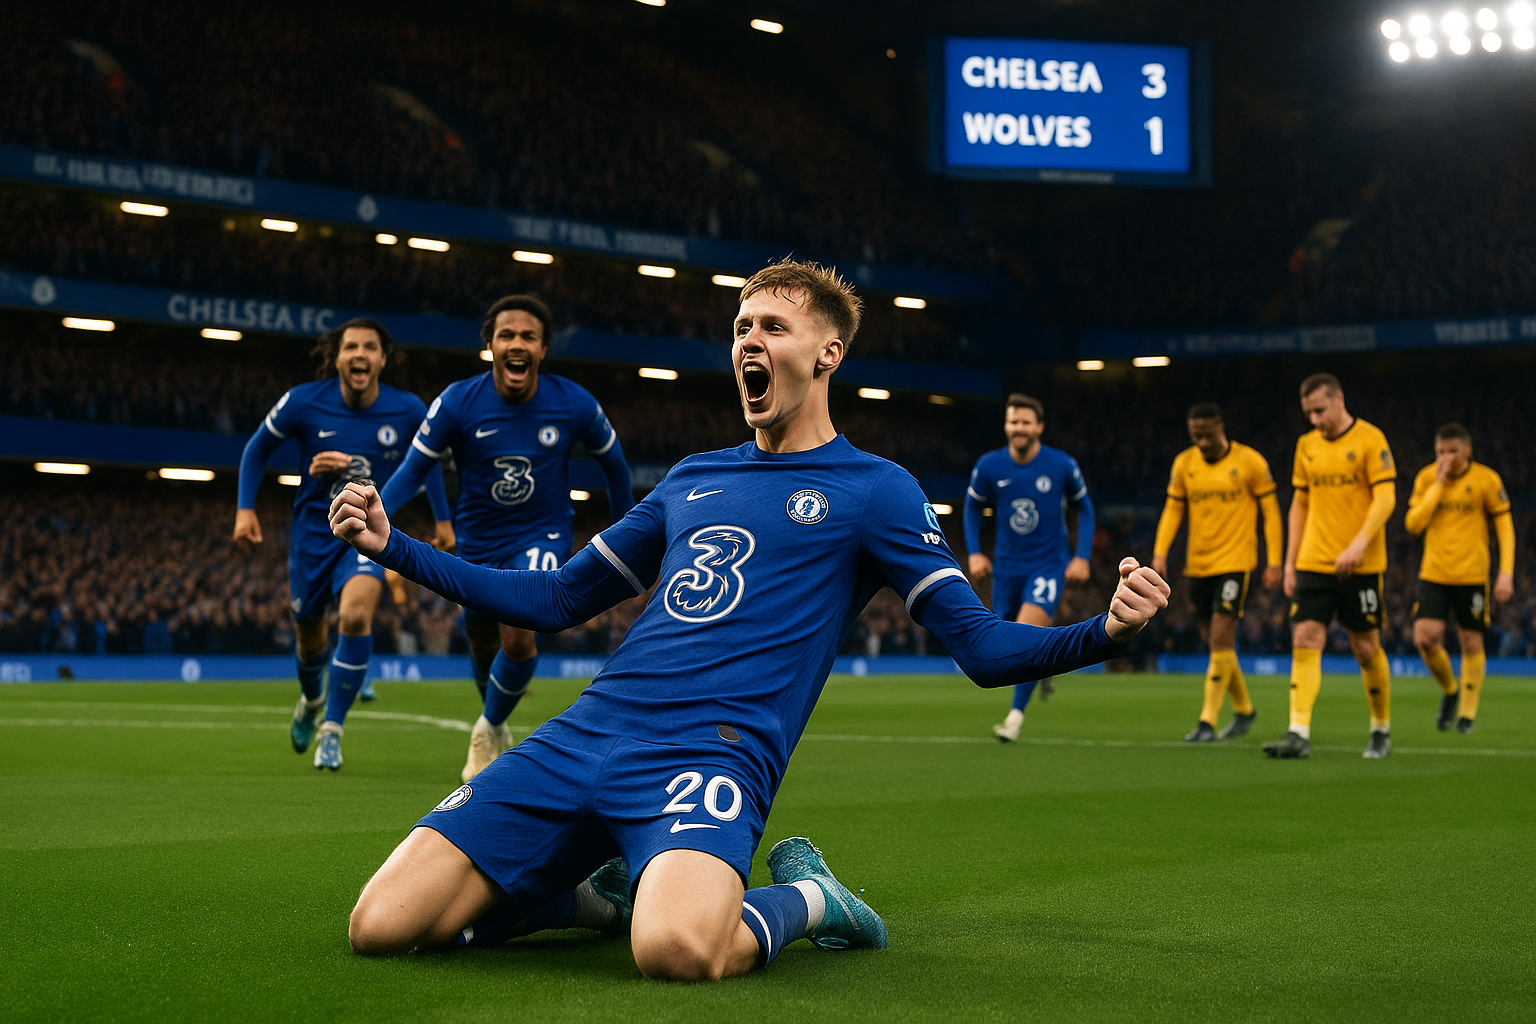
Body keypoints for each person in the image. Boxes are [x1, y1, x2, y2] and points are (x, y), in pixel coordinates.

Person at [326, 260, 1170, 980]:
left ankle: (811, 897)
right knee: (382, 926)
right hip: (588, 732)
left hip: (711, 752)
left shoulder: (878, 490)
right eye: (740, 328)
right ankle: (594, 898)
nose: (747, 343)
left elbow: (982, 648)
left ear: (828, 353)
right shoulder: (693, 477)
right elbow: (554, 600)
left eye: (771, 326)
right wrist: (393, 543)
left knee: (676, 952)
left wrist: (1105, 632)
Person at [379, 295, 633, 782]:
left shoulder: (573, 401)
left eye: (528, 337)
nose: (517, 344)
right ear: (490, 346)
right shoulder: (457, 401)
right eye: (507, 336)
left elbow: (616, 467)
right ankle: (493, 719)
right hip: (477, 541)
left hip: (542, 534)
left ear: (542, 350)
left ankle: (487, 725)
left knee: (518, 634)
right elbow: (414, 469)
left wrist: (628, 539)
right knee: (479, 639)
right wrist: (379, 512)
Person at [235, 317, 452, 770]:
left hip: (366, 536)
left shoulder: (409, 409)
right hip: (313, 537)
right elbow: (256, 449)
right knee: (310, 640)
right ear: (336, 357)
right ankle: (312, 698)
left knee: (355, 617)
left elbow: (430, 462)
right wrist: (245, 508)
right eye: (350, 346)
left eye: (369, 347)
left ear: (382, 359)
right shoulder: (302, 401)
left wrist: (443, 518)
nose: (360, 354)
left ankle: (332, 729)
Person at [1265, 373, 1396, 760]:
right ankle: (1298, 732)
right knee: (1305, 637)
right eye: (1309, 413)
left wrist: (1359, 544)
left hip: (1362, 565)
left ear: (1339, 399)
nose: (1315, 420)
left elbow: (1386, 498)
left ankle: (1380, 728)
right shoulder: (1306, 445)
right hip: (1313, 562)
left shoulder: (1371, 440)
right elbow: (1300, 505)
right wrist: (1290, 562)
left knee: (1366, 647)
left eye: (1320, 410)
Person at [963, 394, 1096, 742]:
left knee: (1025, 636)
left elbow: (1086, 509)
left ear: (1039, 426)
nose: (1018, 428)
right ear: (1006, 426)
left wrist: (1081, 556)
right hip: (1007, 568)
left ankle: (1015, 718)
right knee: (1003, 645)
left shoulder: (1062, 465)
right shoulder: (989, 466)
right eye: (1013, 422)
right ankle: (1045, 664)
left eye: (1025, 422)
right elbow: (972, 508)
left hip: (1048, 565)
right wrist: (975, 553)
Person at [1151, 403, 1284, 742]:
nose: (1202, 441)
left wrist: (1275, 561)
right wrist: (1160, 553)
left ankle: (1207, 722)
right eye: (1196, 435)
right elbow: (1172, 509)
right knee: (1216, 643)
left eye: (1207, 434)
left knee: (1222, 637)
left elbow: (1271, 512)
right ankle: (1244, 710)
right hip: (1199, 565)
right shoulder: (1184, 464)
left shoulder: (1250, 462)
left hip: (1236, 563)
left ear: (1220, 428)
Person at [1404, 423, 1515, 734]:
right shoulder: (1427, 478)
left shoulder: (1486, 479)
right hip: (1435, 573)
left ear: (1468, 450)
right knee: (1425, 638)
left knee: (1471, 641)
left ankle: (1467, 714)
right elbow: (1414, 524)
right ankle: (1450, 690)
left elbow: (1505, 527)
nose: (1447, 458)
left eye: (1453, 451)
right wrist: (1438, 484)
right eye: (1441, 452)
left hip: (1471, 575)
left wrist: (1505, 572)